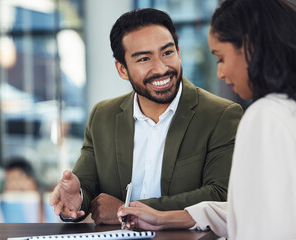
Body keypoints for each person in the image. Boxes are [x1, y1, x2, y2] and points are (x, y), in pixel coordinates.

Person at [117, 0, 296, 239]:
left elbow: (262, 227)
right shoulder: (285, 109)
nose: (220, 73)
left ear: (250, 47)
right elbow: (249, 209)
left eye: (221, 58)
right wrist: (164, 218)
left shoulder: (264, 115)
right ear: (122, 68)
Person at [50, 8, 243, 225]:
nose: (161, 68)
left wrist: (127, 209)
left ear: (178, 52)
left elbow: (220, 196)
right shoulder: (102, 116)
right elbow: (85, 186)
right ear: (122, 69)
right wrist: (76, 199)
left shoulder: (220, 115)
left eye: (167, 53)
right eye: (144, 59)